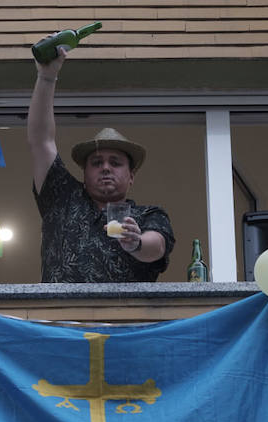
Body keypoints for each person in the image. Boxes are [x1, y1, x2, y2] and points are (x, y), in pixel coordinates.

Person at [27, 44, 174, 282]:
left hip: (126, 319)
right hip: (58, 319)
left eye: (115, 162)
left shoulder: (147, 215)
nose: (105, 167)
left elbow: (156, 247)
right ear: (83, 173)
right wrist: (46, 76)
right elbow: (40, 140)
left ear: (131, 176)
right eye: (96, 162)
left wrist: (135, 242)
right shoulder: (63, 198)